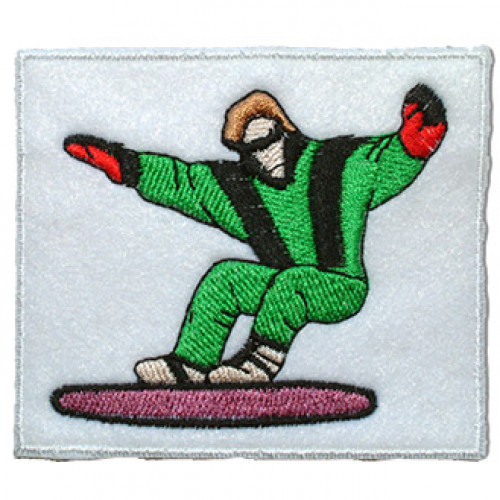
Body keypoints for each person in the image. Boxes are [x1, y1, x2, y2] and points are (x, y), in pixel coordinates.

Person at [63, 85, 447, 385]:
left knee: (292, 284)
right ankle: (191, 364)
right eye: (252, 150)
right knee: (226, 277)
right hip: (281, 285)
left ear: (285, 130)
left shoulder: (338, 165)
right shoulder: (242, 191)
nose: (265, 155)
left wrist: (416, 142)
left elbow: (385, 160)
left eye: (267, 141)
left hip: (340, 285)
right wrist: (128, 166)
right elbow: (185, 183)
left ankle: (258, 362)